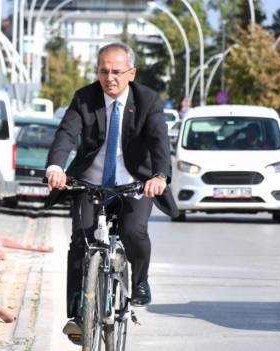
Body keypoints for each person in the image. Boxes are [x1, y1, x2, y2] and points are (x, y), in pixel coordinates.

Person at [44, 42, 177, 341]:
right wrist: (55, 166)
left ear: (131, 73)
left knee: (133, 232)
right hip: (91, 183)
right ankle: (78, 315)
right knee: (81, 242)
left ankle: (140, 281)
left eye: (117, 71)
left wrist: (159, 175)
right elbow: (66, 133)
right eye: (103, 71)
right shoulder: (85, 98)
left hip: (135, 184)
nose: (109, 78)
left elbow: (159, 141)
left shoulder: (147, 100)